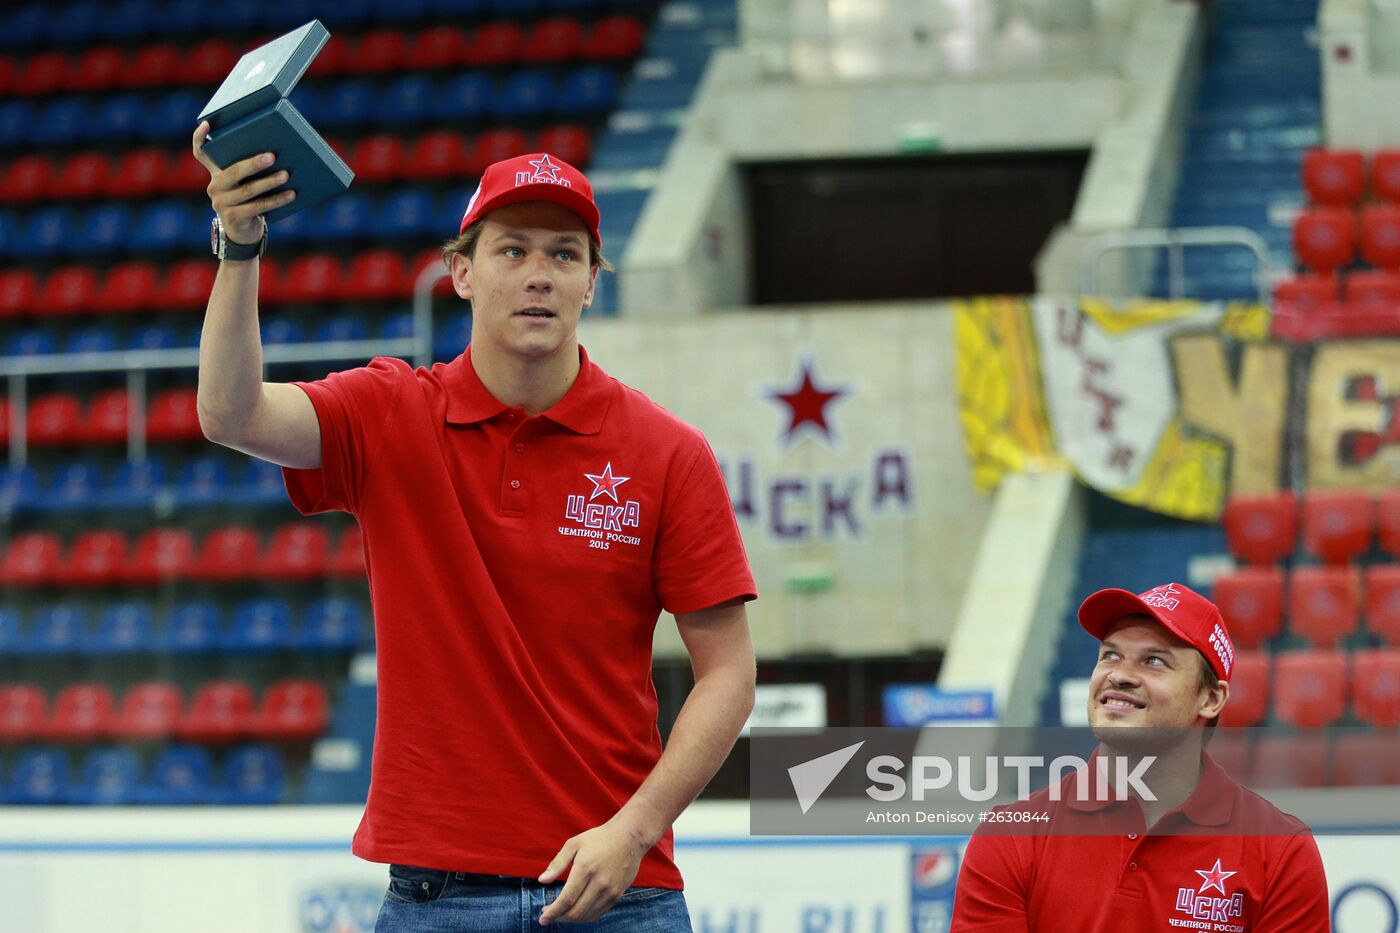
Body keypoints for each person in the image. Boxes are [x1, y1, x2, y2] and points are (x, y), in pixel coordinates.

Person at [191, 125, 758, 932]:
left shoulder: (669, 453)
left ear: (593, 282)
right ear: (461, 272)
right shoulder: (389, 413)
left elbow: (729, 673)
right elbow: (229, 412)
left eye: (565, 255)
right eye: (512, 250)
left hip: (621, 890)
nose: (538, 276)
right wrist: (239, 246)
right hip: (437, 896)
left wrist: (633, 830)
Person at [950, 582, 1330, 931]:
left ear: (1210, 699)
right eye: (1111, 655)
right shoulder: (1010, 835)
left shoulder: (1281, 849)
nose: (1120, 675)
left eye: (1154, 661)